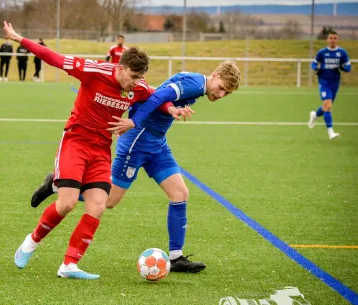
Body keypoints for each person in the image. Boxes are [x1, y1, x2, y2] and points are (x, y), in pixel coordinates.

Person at [3, 21, 190, 279]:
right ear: (121, 68)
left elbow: (156, 97)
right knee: (67, 203)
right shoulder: (93, 70)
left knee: (99, 205)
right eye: (134, 77)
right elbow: (54, 58)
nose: (137, 84)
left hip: (102, 149)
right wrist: (20, 39)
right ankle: (32, 242)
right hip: (76, 142)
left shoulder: (137, 88)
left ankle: (69, 265)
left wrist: (171, 108)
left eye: (141, 78)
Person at [31, 63, 241, 273]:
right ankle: (57, 186)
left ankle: (176, 257)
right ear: (213, 75)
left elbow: (161, 94)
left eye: (227, 93)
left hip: (157, 143)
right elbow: (157, 96)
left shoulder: (196, 83)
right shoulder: (195, 84)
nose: (222, 94)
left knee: (180, 193)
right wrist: (134, 121)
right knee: (110, 201)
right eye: (221, 88)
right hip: (138, 141)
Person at [308, 30, 351, 140]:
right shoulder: (322, 52)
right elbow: (313, 63)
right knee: (328, 106)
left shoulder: (342, 53)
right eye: (331, 38)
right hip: (324, 81)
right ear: (327, 39)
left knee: (326, 106)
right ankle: (331, 132)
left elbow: (348, 67)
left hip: (335, 83)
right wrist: (316, 68)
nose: (332, 40)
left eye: (335, 38)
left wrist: (342, 68)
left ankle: (314, 115)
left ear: (338, 40)